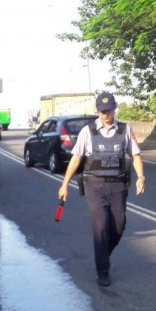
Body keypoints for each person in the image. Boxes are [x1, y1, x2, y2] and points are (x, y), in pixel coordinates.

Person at [58, 91, 145, 287]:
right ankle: (103, 270)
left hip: (118, 186)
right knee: (101, 227)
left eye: (109, 109)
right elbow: (76, 158)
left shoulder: (125, 129)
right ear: (97, 111)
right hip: (94, 186)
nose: (106, 113)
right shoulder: (87, 132)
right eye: (102, 110)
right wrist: (64, 184)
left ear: (115, 108)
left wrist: (141, 176)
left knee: (119, 226)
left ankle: (103, 254)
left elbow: (136, 155)